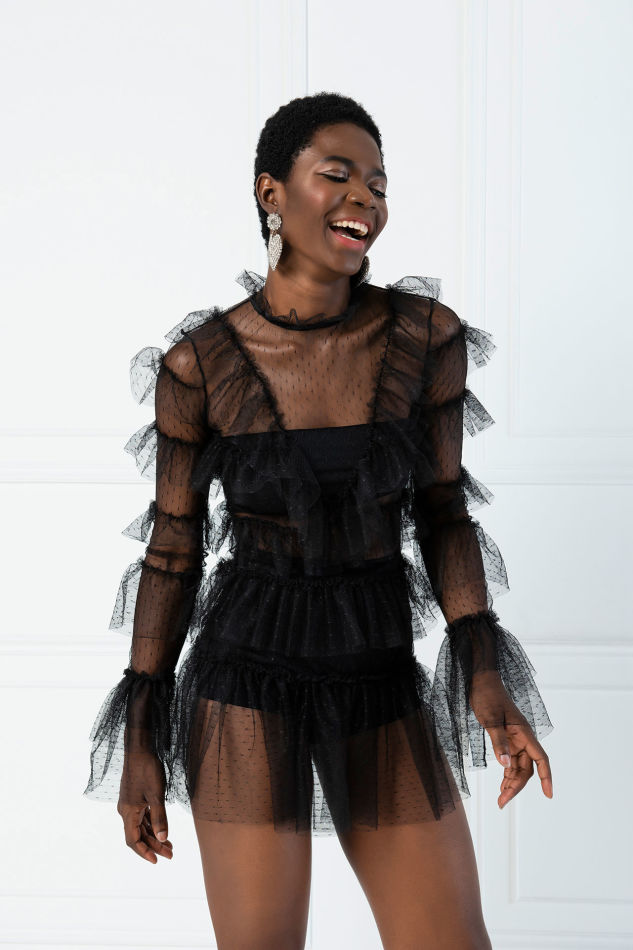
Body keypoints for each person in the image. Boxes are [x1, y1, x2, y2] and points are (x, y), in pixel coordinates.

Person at [84, 91, 554, 949]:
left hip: (377, 672)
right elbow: (173, 552)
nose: (363, 198)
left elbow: (444, 513)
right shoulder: (200, 366)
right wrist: (141, 737)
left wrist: (483, 675)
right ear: (272, 193)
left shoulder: (424, 338)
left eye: (377, 183)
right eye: (337, 175)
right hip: (243, 681)